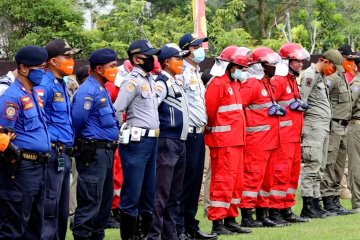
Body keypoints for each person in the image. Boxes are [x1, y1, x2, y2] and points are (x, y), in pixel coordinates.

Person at [0, 46, 51, 239]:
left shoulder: (32, 94)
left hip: (39, 168)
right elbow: (1, 135)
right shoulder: (11, 98)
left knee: (34, 227)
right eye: (39, 67)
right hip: (21, 170)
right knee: (13, 227)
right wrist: (11, 156)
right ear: (23, 68)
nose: (42, 72)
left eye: (44, 67)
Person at [114, 39, 160, 240]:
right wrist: (119, 133)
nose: (152, 59)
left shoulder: (149, 79)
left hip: (152, 141)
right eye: (148, 56)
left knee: (148, 192)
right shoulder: (131, 82)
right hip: (136, 142)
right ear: (136, 59)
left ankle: (143, 234)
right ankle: (129, 236)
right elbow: (117, 109)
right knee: (132, 191)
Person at [72, 48, 119, 240]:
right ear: (99, 69)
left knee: (103, 206)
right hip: (93, 153)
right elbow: (76, 122)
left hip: (106, 152)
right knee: (90, 203)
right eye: (112, 66)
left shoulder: (101, 89)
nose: (116, 70)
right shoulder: (87, 91)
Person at [205, 45, 251, 236]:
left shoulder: (234, 84)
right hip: (223, 142)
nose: (241, 72)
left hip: (236, 142)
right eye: (239, 68)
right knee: (223, 182)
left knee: (236, 183)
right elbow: (210, 113)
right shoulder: (218, 84)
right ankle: (218, 221)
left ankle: (231, 219)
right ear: (230, 66)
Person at [239, 47, 286, 228]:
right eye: (269, 64)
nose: (273, 67)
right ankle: (247, 215)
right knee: (252, 178)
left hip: (271, 140)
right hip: (256, 141)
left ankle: (262, 213)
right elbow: (239, 109)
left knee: (267, 180)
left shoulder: (266, 83)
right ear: (259, 66)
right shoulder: (251, 84)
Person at [176, 33, 217, 240]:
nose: (201, 48)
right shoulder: (181, 72)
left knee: (194, 182)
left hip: (198, 134)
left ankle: (191, 225)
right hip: (187, 134)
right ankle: (180, 226)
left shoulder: (195, 72)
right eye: (197, 46)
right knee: (185, 182)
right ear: (187, 49)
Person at [148, 43, 190, 240]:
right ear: (167, 62)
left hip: (180, 142)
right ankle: (154, 234)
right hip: (167, 141)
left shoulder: (176, 81)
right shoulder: (161, 82)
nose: (181, 62)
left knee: (175, 194)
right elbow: (151, 108)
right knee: (162, 193)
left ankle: (170, 234)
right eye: (178, 59)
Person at [39, 38, 80, 240]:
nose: (71, 60)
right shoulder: (44, 84)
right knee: (50, 208)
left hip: (64, 152)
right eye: (67, 56)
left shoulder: (61, 83)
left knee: (62, 210)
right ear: (53, 61)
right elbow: (38, 120)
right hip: (52, 153)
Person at [270, 43, 310, 223]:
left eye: (301, 61)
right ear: (286, 61)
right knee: (281, 173)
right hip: (283, 136)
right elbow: (270, 106)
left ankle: (287, 208)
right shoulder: (278, 80)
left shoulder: (292, 80)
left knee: (292, 175)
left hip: (294, 136)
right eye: (296, 61)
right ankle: (275, 211)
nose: (300, 64)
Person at [299, 49, 342, 218]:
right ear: (325, 61)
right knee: (312, 164)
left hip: (323, 127)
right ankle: (308, 204)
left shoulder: (321, 77)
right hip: (314, 126)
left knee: (320, 166)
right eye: (333, 66)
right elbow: (303, 102)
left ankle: (316, 202)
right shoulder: (310, 75)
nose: (334, 70)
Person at [320, 46, 353, 216]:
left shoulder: (344, 78)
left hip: (344, 126)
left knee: (340, 165)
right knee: (330, 163)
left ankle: (334, 198)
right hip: (333, 126)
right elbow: (322, 98)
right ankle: (326, 198)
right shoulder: (331, 79)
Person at [347, 54, 360, 212]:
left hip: (356, 126)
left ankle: (357, 203)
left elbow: (348, 104)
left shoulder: (356, 83)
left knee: (355, 165)